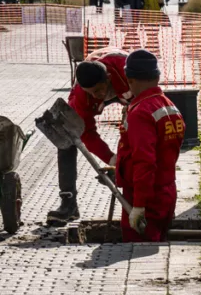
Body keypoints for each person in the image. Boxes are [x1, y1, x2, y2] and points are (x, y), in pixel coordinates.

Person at [47, 47, 132, 225]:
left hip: (125, 86)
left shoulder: (127, 69)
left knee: (138, 125)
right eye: (92, 93)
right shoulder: (81, 96)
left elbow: (149, 96)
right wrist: (111, 159)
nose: (98, 95)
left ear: (107, 79)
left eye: (100, 90)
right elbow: (86, 134)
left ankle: (144, 192)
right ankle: (68, 203)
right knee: (67, 137)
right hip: (97, 89)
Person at [115, 49, 185, 242]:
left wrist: (139, 205)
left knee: (137, 251)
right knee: (155, 246)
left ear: (130, 79)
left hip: (146, 196)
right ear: (157, 76)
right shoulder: (168, 106)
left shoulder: (140, 113)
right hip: (166, 191)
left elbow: (144, 161)